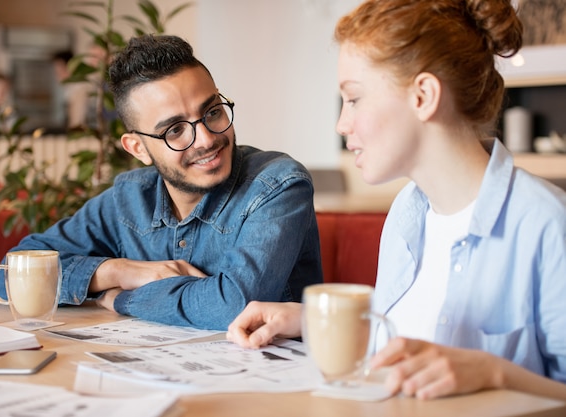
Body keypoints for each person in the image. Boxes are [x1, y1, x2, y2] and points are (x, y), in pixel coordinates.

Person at [227, 0, 566, 402]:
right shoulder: (408, 212)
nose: (341, 124)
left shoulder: (546, 224)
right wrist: (310, 320)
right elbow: (409, 340)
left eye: (353, 99)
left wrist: (492, 372)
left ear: (422, 96)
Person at [0, 34, 322, 330]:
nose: (206, 139)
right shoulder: (128, 199)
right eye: (175, 130)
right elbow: (11, 274)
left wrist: (120, 299)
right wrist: (117, 272)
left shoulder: (277, 185)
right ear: (138, 148)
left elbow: (234, 305)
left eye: (212, 112)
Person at [51, 50, 93, 129]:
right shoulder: (71, 89)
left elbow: (77, 123)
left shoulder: (79, 89)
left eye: (59, 71)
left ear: (70, 67)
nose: (57, 76)